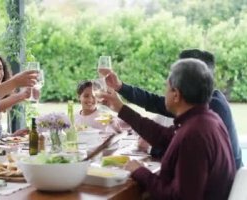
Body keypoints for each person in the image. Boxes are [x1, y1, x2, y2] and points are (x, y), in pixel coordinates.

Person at [101, 58, 236, 199]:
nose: (164, 93)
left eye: (166, 88)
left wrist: (140, 171)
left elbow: (179, 197)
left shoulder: (194, 134)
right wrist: (120, 107)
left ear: (176, 95)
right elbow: (163, 136)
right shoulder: (208, 119)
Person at [101, 49, 243, 168]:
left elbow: (184, 153)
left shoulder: (210, 111)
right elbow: (155, 104)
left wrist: (150, 152)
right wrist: (120, 87)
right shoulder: (197, 105)